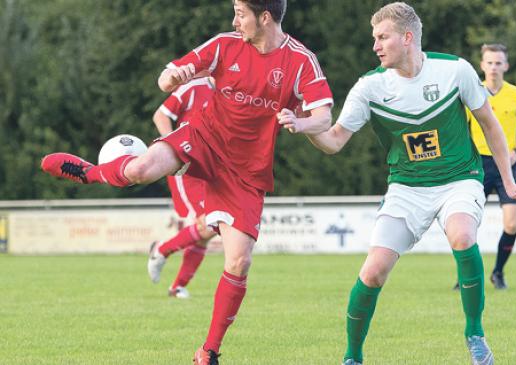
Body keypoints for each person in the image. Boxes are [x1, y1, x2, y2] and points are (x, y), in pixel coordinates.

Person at [41, 0, 333, 363]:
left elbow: (323, 115)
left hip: (245, 171)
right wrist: (172, 78)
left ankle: (208, 352)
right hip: (203, 138)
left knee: (239, 263)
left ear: (265, 17)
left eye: (241, 14)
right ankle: (90, 172)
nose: (234, 20)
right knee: (139, 169)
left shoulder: (300, 60)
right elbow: (166, 78)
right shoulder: (224, 45)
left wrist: (300, 122)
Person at [288, 2, 516, 364]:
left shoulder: (455, 71)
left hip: (459, 180)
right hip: (405, 188)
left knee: (463, 236)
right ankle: (352, 356)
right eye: (374, 38)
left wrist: (510, 182)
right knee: (373, 272)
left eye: (382, 37)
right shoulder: (369, 87)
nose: (375, 45)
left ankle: (475, 334)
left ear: (407, 38)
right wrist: (305, 125)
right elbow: (335, 140)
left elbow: (489, 124)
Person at [467, 43, 516, 290]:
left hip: (508, 163)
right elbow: (460, 129)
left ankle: (497, 272)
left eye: (498, 63)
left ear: (506, 66)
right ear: (482, 65)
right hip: (478, 164)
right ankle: (467, 276)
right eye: (490, 62)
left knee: (511, 223)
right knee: (465, 225)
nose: (494, 67)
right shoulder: (472, 94)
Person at [148, 76, 218, 299]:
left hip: (211, 168)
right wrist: (173, 148)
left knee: (209, 229)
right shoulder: (194, 87)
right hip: (187, 167)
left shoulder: (233, 93)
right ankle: (161, 250)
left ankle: (177, 286)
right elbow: (160, 115)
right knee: (209, 223)